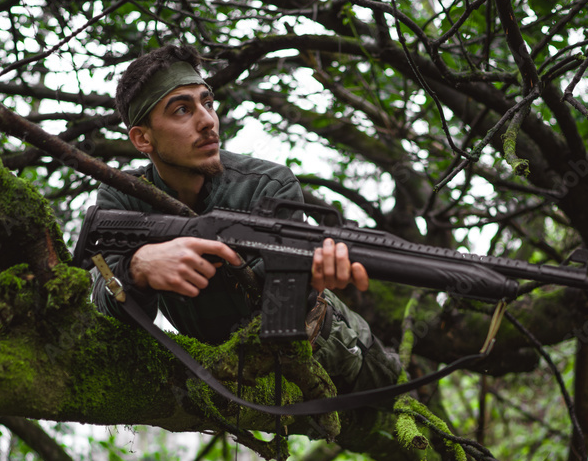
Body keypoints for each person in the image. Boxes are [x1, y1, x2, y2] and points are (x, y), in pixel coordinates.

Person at [92, 44, 400, 394]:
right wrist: (138, 270)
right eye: (181, 109)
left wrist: (304, 273)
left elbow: (281, 310)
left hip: (333, 348)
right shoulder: (122, 197)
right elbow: (103, 304)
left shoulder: (269, 185)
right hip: (227, 377)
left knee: (393, 395)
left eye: (207, 103)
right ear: (142, 137)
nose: (207, 121)